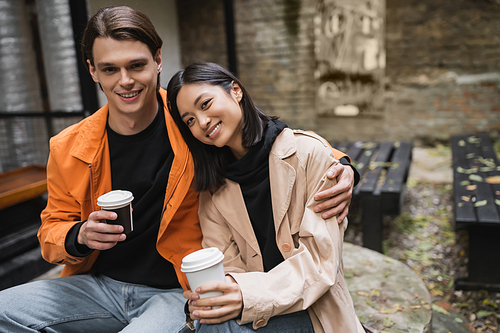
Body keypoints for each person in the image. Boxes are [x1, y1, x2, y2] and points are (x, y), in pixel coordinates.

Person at [0, 6, 357, 333]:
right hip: (97, 285)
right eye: (110, 69)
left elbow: (265, 137)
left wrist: (341, 164)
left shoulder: (191, 122)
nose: (125, 80)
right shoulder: (68, 147)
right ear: (92, 71)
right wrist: (79, 236)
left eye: (136, 65)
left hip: (174, 289)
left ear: (158, 60)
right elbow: (50, 234)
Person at [166, 62, 365, 333]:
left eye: (205, 104)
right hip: (254, 315)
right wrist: (223, 296)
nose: (202, 122)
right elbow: (227, 266)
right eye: (189, 119)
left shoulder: (308, 155)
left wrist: (246, 296)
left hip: (313, 311)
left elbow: (320, 263)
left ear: (235, 90)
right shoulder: (212, 189)